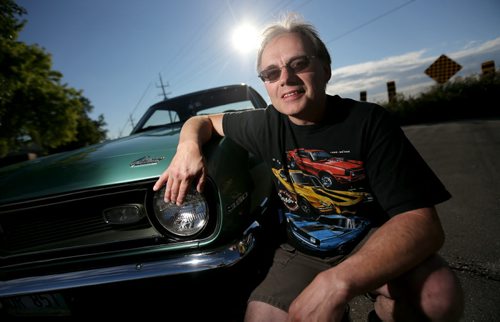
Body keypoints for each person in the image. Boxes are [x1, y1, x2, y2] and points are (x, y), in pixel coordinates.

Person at [153, 13, 464, 322]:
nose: (285, 79)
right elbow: (202, 121)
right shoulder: (264, 124)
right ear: (267, 84)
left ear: (325, 68)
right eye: (271, 73)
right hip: (301, 251)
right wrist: (188, 148)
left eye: (299, 64)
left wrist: (338, 282)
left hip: (368, 239)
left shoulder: (368, 121)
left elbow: (422, 224)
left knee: (436, 294)